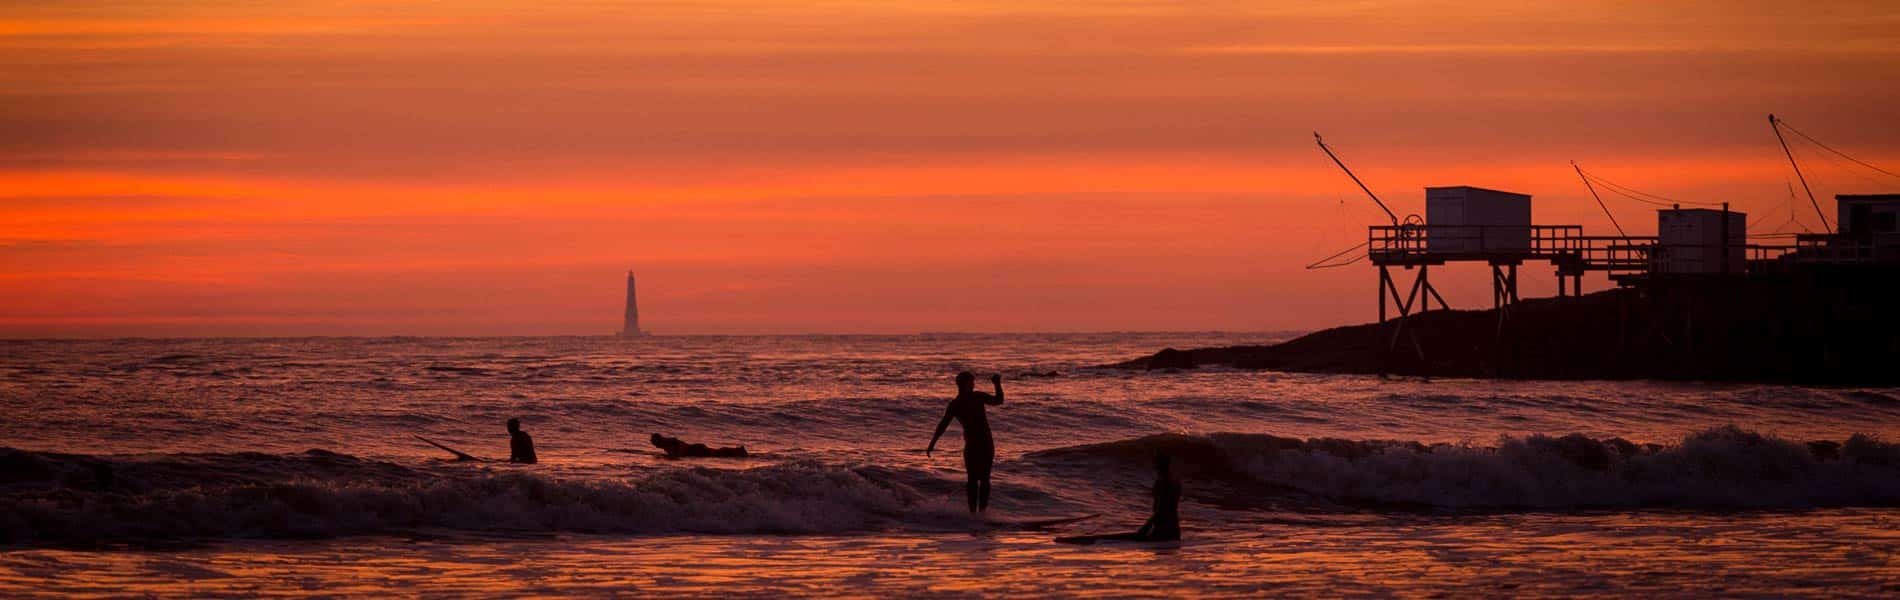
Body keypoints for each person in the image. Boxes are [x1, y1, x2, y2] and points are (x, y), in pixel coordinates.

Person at [927, 371, 1004, 513]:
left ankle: (982, 513)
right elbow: (943, 425)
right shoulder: (955, 405)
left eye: (973, 382)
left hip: (986, 443)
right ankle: (973, 514)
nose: (973, 384)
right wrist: (932, 444)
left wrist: (997, 384)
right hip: (972, 445)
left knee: (985, 479)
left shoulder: (978, 397)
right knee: (972, 480)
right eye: (971, 382)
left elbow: (999, 400)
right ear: (961, 384)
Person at [1133, 452, 1181, 541]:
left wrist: (1146, 526)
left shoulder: (1162, 482)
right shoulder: (1176, 481)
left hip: (1162, 530)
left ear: (1158, 465)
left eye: (1155, 463)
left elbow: (1162, 509)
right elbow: (1171, 507)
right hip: (1175, 529)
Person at [651, 433, 748, 458]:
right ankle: (738, 451)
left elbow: (676, 443)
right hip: (694, 449)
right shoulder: (667, 444)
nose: (655, 446)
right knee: (716, 452)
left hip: (694, 450)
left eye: (654, 443)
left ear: (658, 440)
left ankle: (739, 451)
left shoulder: (668, 443)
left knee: (716, 453)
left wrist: (679, 454)